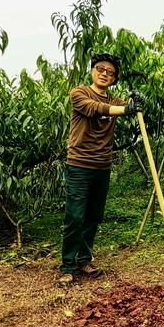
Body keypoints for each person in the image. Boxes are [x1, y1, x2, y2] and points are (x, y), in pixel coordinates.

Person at [59, 52, 144, 285]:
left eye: (111, 73)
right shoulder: (79, 93)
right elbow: (95, 108)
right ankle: (67, 266)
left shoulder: (115, 101)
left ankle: (84, 260)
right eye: (101, 69)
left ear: (114, 78)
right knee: (75, 216)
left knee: (93, 217)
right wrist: (126, 109)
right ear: (92, 70)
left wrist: (136, 102)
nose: (105, 74)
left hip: (102, 166)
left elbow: (125, 106)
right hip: (79, 164)